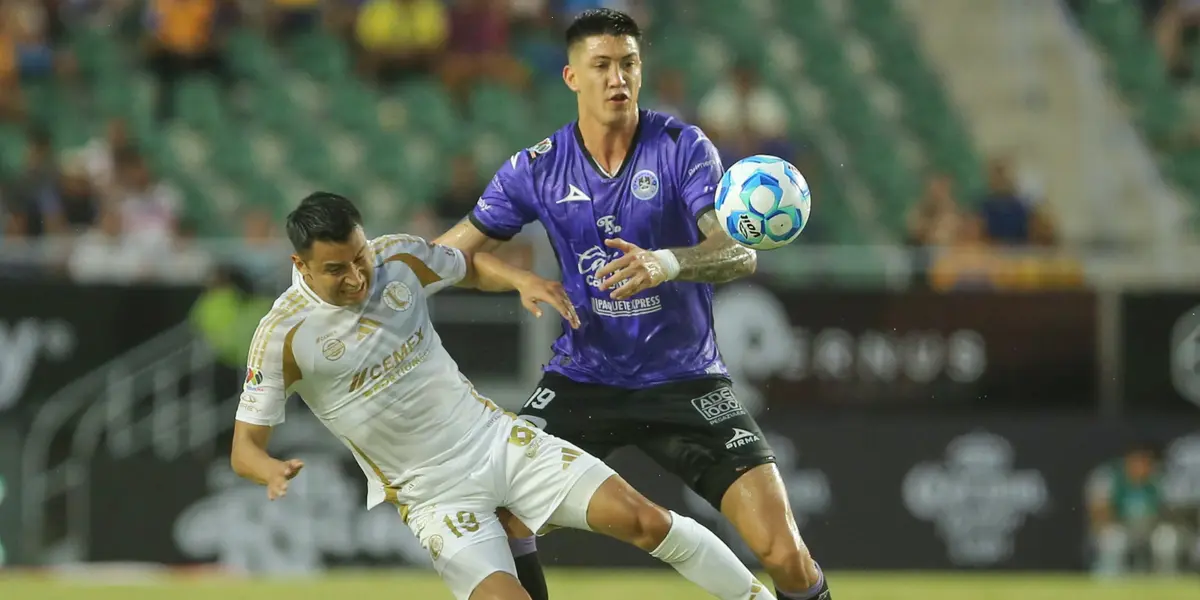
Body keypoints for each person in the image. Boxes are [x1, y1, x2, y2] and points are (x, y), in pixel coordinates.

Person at [435, 9, 830, 600]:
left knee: (784, 553)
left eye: (629, 64)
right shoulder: (536, 168)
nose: (617, 78)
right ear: (571, 77)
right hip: (583, 378)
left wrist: (664, 262)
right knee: (498, 511)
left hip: (686, 381)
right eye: (601, 66)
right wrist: (509, 278)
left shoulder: (681, 147)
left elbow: (737, 253)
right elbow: (442, 259)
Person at [230, 192, 778, 600]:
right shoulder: (283, 336)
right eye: (336, 270)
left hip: (497, 441)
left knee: (646, 521)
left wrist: (518, 280)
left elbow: (465, 265)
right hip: (431, 495)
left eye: (358, 258)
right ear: (299, 266)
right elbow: (244, 447)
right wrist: (270, 470)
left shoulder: (395, 258)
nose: (355, 277)